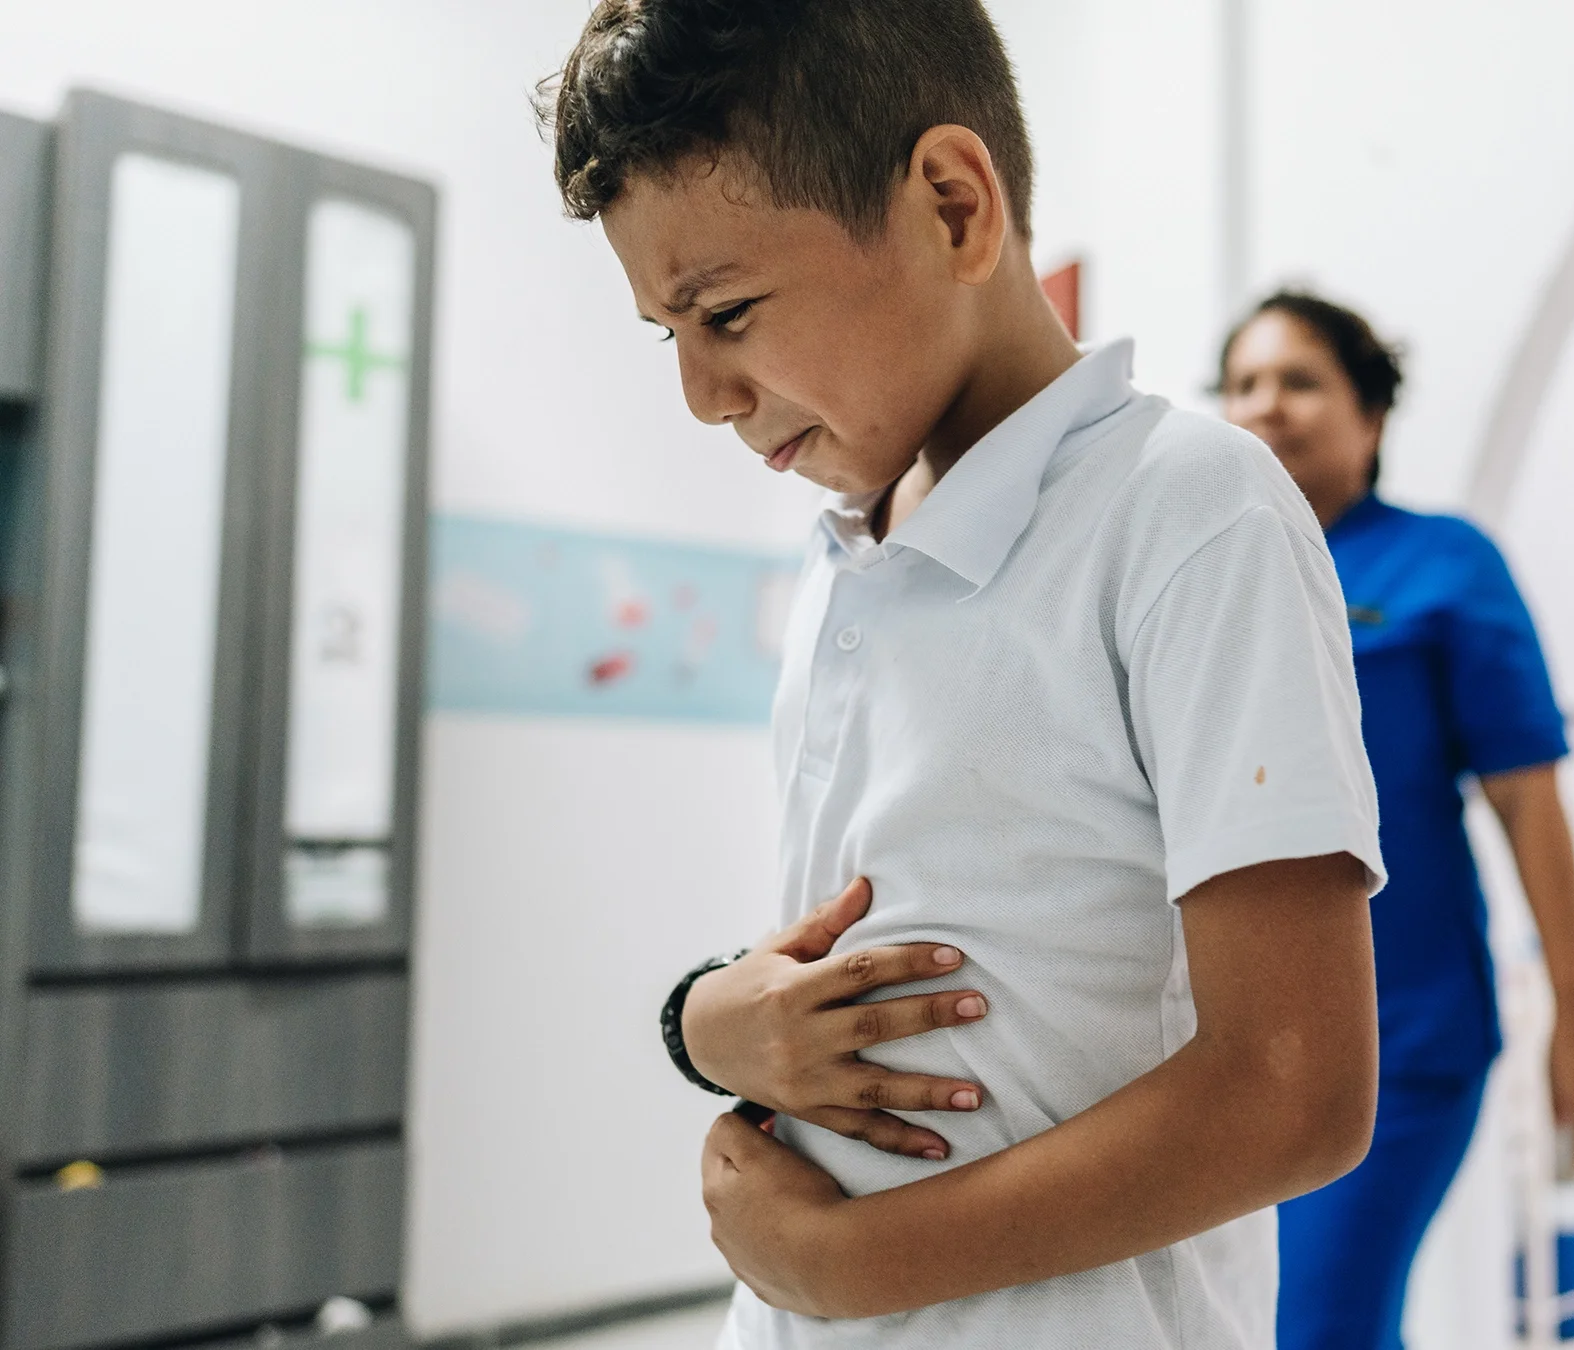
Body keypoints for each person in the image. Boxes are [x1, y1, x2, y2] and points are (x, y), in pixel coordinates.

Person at [541, 4, 1387, 1346]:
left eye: (730, 312)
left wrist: (849, 1262)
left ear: (951, 205)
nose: (703, 393)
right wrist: (704, 1020)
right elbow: (846, 950)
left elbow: (1295, 1089)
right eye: (671, 333)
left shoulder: (1188, 509)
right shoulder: (845, 557)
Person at [1220, 292, 1574, 1350]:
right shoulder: (1208, 579)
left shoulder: (1448, 565)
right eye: (1245, 383)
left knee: (1321, 1325)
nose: (1269, 406)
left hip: (1403, 1034)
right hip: (1226, 1038)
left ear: (1372, 418)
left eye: (1301, 380)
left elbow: (1527, 798)